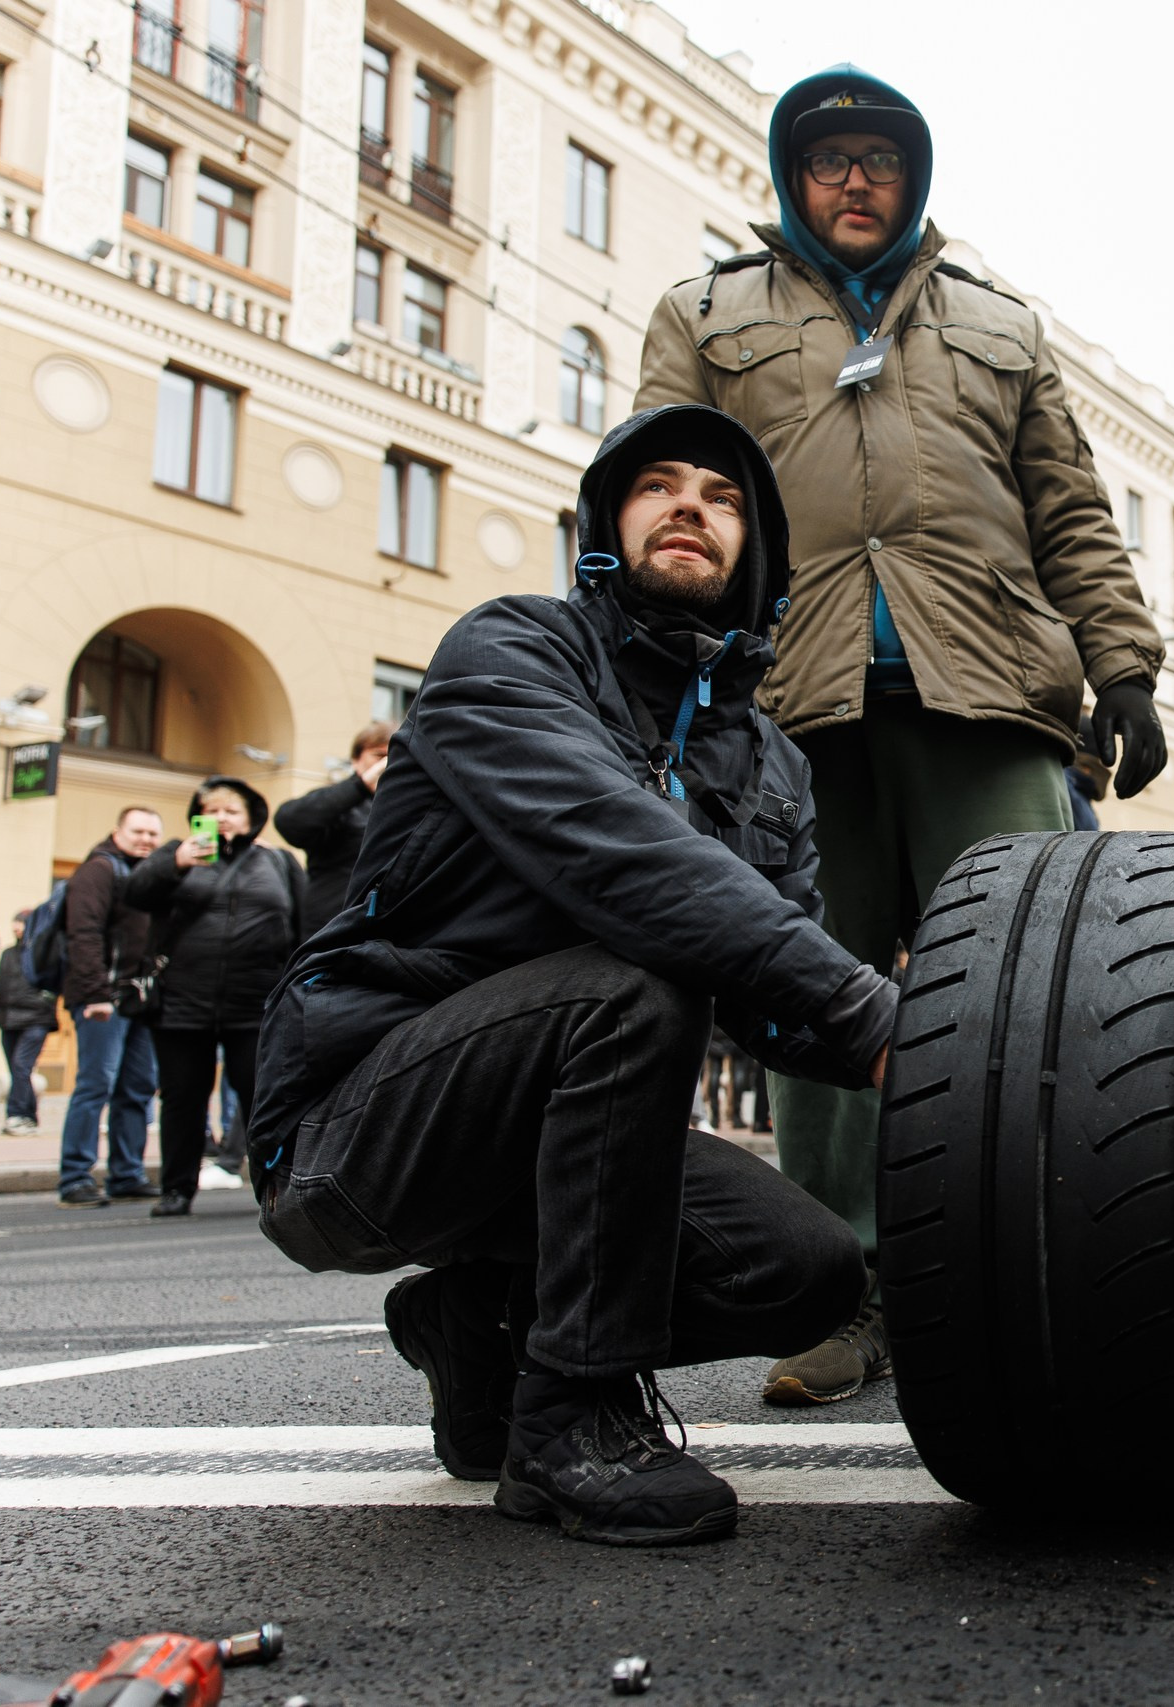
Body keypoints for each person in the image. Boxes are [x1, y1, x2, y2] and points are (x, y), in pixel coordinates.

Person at [250, 404, 891, 1547]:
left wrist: (946, 1036)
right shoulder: (510, 648)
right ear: (607, 522)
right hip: (361, 1125)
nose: (693, 505)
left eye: (727, 496)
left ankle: (482, 1327)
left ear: (759, 555)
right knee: (634, 979)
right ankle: (573, 1422)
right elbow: (617, 853)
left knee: (811, 1272)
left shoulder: (772, 766)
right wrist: (859, 1004)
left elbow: (780, 1007)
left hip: (564, 1132)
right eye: (660, 485)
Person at [637, 67, 1166, 1406]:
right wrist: (644, 678)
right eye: (830, 161)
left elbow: (1072, 513)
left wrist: (1127, 668)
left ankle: (1057, 1262)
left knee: (1041, 990)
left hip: (988, 688)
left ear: (912, 180)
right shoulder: (705, 315)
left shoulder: (1003, 327)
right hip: (789, 707)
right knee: (814, 1000)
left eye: (880, 158)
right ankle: (840, 1291)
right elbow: (653, 492)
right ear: (792, 181)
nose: (856, 178)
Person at [122, 778, 304, 1219]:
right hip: (183, 1001)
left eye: (232, 811)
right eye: (213, 810)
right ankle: (177, 1188)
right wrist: (177, 862)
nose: (222, 818)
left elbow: (306, 925)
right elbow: (136, 892)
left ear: (252, 817)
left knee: (261, 1097)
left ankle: (276, 1188)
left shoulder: (279, 862)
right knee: (183, 1098)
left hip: (256, 1002)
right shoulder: (176, 854)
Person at [57, 806, 165, 1207]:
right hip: (103, 999)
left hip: (138, 1001)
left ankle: (126, 1174)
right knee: (95, 1085)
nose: (146, 840)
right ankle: (75, 1178)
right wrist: (96, 994)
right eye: (138, 831)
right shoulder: (99, 870)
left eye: (153, 834)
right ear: (117, 832)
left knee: (137, 1087)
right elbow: (82, 934)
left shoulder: (148, 875)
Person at [274, 722, 393, 931]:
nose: (387, 762)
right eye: (379, 755)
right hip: (332, 926)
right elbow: (289, 822)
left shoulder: (402, 805)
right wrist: (360, 786)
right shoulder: (338, 803)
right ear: (356, 760)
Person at [0, 911, 59, 1135]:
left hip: (36, 1019)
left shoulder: (44, 953)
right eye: (15, 922)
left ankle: (16, 1115)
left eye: (21, 923)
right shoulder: (8, 954)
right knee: (17, 1069)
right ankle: (29, 1116)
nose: (16, 927)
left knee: (21, 1065)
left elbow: (56, 983)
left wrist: (44, 999)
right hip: (9, 1019)